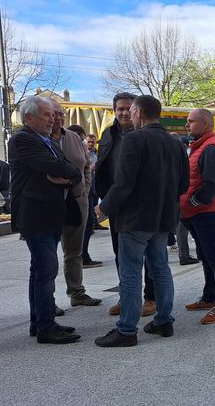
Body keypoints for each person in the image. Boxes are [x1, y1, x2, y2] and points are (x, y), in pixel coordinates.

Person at [94, 95, 189, 347]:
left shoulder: (133, 139)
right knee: (160, 268)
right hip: (163, 217)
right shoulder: (175, 143)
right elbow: (184, 184)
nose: (129, 115)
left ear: (138, 112)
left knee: (131, 272)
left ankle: (126, 330)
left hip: (135, 219)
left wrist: (104, 207)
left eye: (131, 111)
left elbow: (123, 183)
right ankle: (164, 320)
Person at [9, 95, 82, 344]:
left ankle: (39, 320)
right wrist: (66, 173)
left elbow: (68, 169)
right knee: (46, 270)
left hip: (50, 214)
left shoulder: (47, 140)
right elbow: (61, 167)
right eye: (47, 114)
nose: (53, 119)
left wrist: (68, 175)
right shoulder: (22, 139)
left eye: (53, 114)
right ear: (28, 117)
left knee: (39, 270)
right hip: (35, 216)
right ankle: (46, 327)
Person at [96, 92, 156, 317]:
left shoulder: (145, 134)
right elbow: (102, 167)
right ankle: (128, 296)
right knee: (121, 254)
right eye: (120, 108)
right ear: (114, 111)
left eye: (128, 108)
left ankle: (151, 298)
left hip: (142, 205)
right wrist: (104, 199)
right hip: (117, 204)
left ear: (136, 110)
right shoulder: (108, 135)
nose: (124, 112)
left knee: (149, 255)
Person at [180, 109, 215, 325]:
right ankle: (209, 297)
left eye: (191, 122)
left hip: (207, 213)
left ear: (205, 124)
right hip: (198, 213)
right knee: (207, 258)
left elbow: (212, 184)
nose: (187, 126)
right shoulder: (201, 146)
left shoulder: (210, 148)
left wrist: (191, 203)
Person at [49, 102, 101, 307]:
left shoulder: (73, 138)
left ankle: (77, 292)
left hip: (77, 200)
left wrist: (84, 190)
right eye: (54, 115)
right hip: (49, 203)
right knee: (47, 254)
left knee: (74, 251)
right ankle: (48, 301)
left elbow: (86, 165)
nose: (59, 118)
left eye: (62, 114)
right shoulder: (38, 139)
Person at [73, 127, 103, 268]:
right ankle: (82, 257)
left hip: (91, 191)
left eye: (92, 141)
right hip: (83, 193)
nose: (89, 143)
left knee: (89, 225)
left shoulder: (94, 152)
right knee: (85, 227)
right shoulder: (78, 152)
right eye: (87, 141)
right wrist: (90, 167)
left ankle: (83, 255)